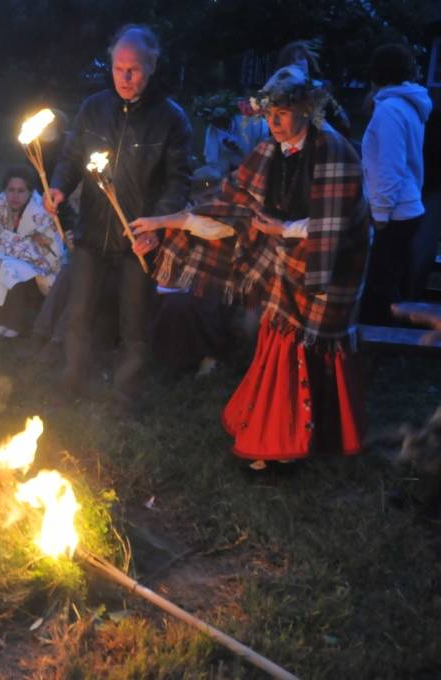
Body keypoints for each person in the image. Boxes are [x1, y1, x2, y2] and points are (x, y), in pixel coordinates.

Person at [133, 65, 371, 469]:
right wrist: (163, 223)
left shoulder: (333, 151)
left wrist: (283, 228)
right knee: (279, 341)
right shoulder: (266, 151)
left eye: (282, 113)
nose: (273, 122)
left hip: (333, 263)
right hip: (284, 256)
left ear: (307, 109)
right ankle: (274, 436)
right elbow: (231, 207)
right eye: (268, 112)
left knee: (310, 345)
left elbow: (337, 224)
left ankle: (297, 437)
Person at [48, 24, 191, 411]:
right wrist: (59, 186)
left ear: (152, 65)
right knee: (78, 313)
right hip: (93, 231)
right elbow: (71, 157)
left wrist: (158, 225)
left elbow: (179, 179)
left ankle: (126, 395)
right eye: (118, 69)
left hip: (138, 238)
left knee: (134, 322)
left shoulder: (170, 118)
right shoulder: (94, 108)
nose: (125, 79)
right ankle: (71, 380)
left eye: (134, 70)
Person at [359, 43, 432, 326]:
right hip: (408, 207)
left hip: (395, 211)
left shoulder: (389, 109)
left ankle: (380, 344)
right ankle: (397, 341)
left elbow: (389, 167)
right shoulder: (408, 105)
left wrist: (380, 214)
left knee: (379, 285)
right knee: (392, 278)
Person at [0, 166, 65, 338]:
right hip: (11, 260)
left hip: (43, 269)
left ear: (30, 192)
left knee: (9, 268)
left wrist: (11, 243)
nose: (15, 196)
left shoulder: (39, 211)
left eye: (20, 191)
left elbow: (48, 251)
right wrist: (20, 244)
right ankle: (3, 321)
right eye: (11, 190)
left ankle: (14, 324)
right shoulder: (1, 204)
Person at [276, 40, 351, 138]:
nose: (298, 62)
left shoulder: (321, 88)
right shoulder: (278, 94)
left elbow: (341, 121)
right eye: (293, 59)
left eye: (301, 58)